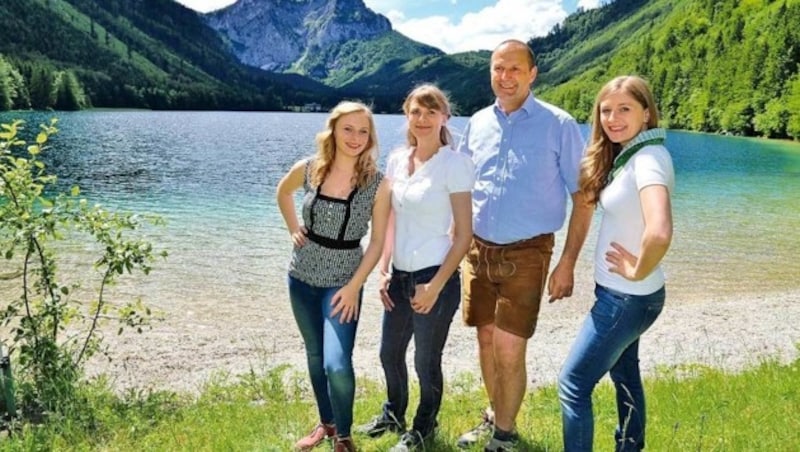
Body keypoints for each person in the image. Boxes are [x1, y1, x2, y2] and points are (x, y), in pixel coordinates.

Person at [455, 39, 594, 451]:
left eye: (515, 68)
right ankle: (495, 413)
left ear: (533, 74)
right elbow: (462, 187)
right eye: (499, 68)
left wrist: (567, 262)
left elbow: (584, 197)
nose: (506, 76)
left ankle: (505, 435)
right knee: (484, 339)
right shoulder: (478, 122)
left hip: (528, 253)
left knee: (509, 348)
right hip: (477, 252)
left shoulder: (559, 124)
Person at [558, 75, 674, 452]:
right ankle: (631, 446)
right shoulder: (633, 155)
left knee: (573, 384)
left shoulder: (649, 159)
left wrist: (636, 268)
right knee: (625, 373)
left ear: (646, 112)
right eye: (606, 110)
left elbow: (659, 231)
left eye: (625, 109)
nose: (613, 118)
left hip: (626, 298)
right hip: (631, 295)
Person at [357, 84, 475, 451]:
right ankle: (394, 413)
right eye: (415, 112)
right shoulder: (396, 159)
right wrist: (383, 269)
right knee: (389, 353)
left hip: (433, 276)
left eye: (430, 111)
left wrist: (437, 285)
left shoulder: (454, 164)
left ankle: (423, 428)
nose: (422, 119)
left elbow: (464, 235)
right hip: (400, 276)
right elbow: (391, 220)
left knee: (426, 361)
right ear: (406, 116)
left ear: (444, 117)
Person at [276, 100, 391, 452]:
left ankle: (344, 436)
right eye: (348, 129)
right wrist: (294, 227)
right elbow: (283, 193)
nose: (355, 137)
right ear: (333, 130)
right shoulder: (310, 169)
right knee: (314, 355)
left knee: (337, 363)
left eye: (363, 131)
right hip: (301, 277)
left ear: (370, 137)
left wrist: (355, 286)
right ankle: (326, 425)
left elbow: (377, 242)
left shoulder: (378, 183)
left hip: (343, 282)